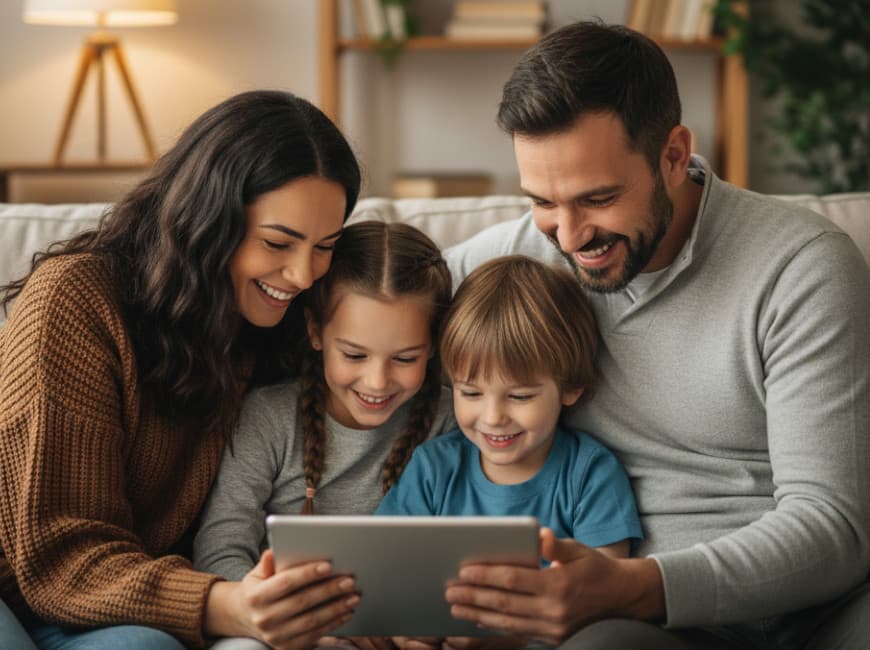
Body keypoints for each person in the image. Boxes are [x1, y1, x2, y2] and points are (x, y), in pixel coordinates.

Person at [444, 20, 870, 650]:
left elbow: (835, 527)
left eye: (598, 198)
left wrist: (632, 585)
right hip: (641, 632)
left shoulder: (801, 267)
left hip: (811, 616)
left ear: (674, 154)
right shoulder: (518, 260)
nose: (567, 236)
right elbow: (370, 302)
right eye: (542, 201)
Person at [0, 89, 366, 650]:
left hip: (135, 603)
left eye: (325, 246)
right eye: (278, 242)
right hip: (23, 587)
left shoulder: (286, 324)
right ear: (208, 219)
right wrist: (229, 605)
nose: (301, 275)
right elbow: (60, 554)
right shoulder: (75, 301)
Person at [193, 220, 455, 648]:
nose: (377, 381)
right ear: (315, 331)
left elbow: (459, 555)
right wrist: (299, 623)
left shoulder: (450, 420)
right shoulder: (270, 417)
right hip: (285, 631)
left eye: (406, 358)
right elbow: (221, 550)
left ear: (433, 345)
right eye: (353, 354)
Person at [377, 254, 641, 561]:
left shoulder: (590, 475)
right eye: (471, 393)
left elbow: (607, 583)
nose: (493, 418)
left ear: (570, 387)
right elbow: (385, 562)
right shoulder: (432, 469)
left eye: (519, 397)